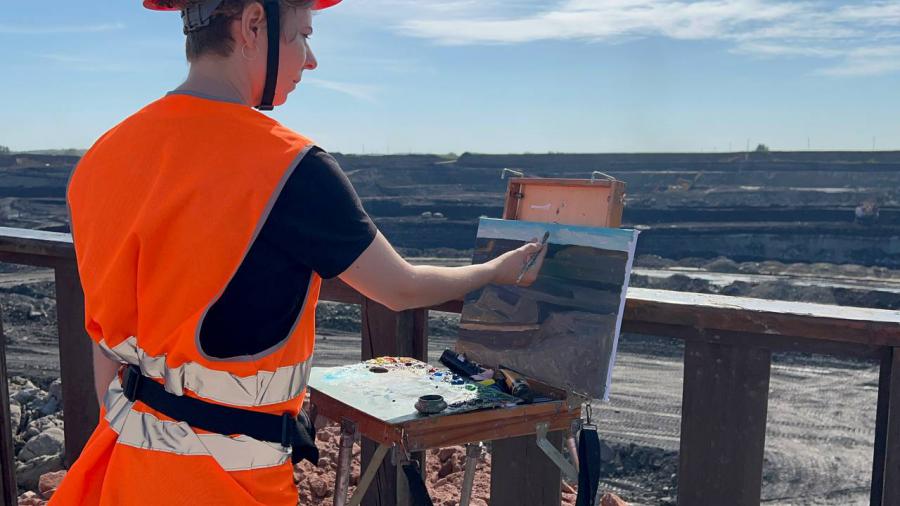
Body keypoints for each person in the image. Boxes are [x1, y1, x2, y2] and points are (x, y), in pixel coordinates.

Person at [50, 0, 546, 504]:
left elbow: (104, 339)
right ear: (253, 25)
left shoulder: (103, 157)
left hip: (123, 469)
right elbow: (400, 287)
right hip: (229, 485)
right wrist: (495, 270)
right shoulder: (289, 166)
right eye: (302, 35)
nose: (310, 59)